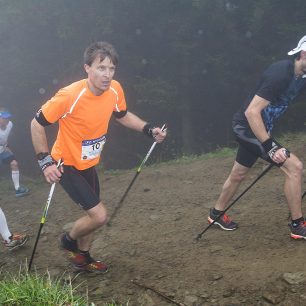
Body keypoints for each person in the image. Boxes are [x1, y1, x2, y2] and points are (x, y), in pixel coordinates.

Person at [30, 41, 167, 273]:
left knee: (92, 215)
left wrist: (148, 129)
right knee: (99, 216)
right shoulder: (69, 95)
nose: (107, 75)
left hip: (89, 163)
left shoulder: (114, 90)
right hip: (65, 165)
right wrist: (45, 161)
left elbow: (122, 116)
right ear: (87, 68)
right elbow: (36, 123)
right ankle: (68, 240)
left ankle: (83, 257)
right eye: (101, 68)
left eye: (111, 69)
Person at [208, 35, 306, 239]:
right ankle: (297, 225)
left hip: (260, 128)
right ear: (303, 54)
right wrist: (270, 146)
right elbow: (252, 112)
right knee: (294, 167)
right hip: (246, 127)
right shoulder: (280, 73)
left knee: (238, 174)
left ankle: (216, 214)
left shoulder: (301, 77)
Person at [0, 108, 30, 197]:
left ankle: (18, 189)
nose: (7, 120)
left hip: (3, 150)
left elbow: (5, 137)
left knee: (14, 163)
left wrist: (7, 146)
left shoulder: (10, 125)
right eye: (4, 118)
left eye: (8, 118)